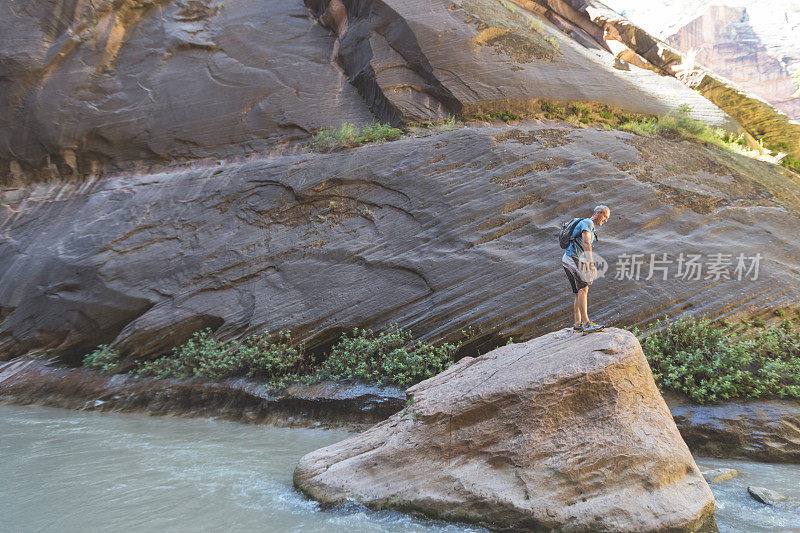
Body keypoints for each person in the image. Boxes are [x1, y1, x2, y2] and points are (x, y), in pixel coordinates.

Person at [562, 205, 610, 333]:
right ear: (598, 213)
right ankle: (586, 324)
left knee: (580, 291)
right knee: (583, 289)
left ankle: (578, 323)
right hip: (573, 258)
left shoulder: (588, 224)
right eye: (605, 217)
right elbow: (586, 243)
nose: (605, 220)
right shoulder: (588, 223)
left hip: (569, 259)